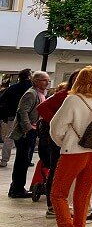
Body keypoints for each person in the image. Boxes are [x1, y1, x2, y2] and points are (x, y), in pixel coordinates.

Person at [48, 66, 92, 227]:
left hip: (73, 152)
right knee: (83, 194)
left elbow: (56, 127)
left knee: (58, 193)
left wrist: (64, 142)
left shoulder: (73, 100)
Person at [35, 71, 82, 217]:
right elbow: (42, 107)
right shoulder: (65, 94)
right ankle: (51, 205)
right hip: (59, 139)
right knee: (56, 169)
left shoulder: (77, 96)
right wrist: (57, 123)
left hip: (71, 139)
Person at [8, 70, 50, 198]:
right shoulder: (31, 94)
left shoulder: (40, 93)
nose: (47, 83)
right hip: (25, 133)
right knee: (22, 160)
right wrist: (28, 129)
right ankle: (17, 189)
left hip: (32, 130)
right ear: (36, 81)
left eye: (48, 80)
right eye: (44, 80)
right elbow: (22, 111)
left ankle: (18, 187)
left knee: (25, 160)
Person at [0, 69, 32, 168]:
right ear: (29, 77)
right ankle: (26, 160)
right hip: (29, 118)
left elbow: (2, 101)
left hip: (12, 116)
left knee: (9, 139)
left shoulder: (12, 88)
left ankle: (4, 160)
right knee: (28, 139)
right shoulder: (32, 89)